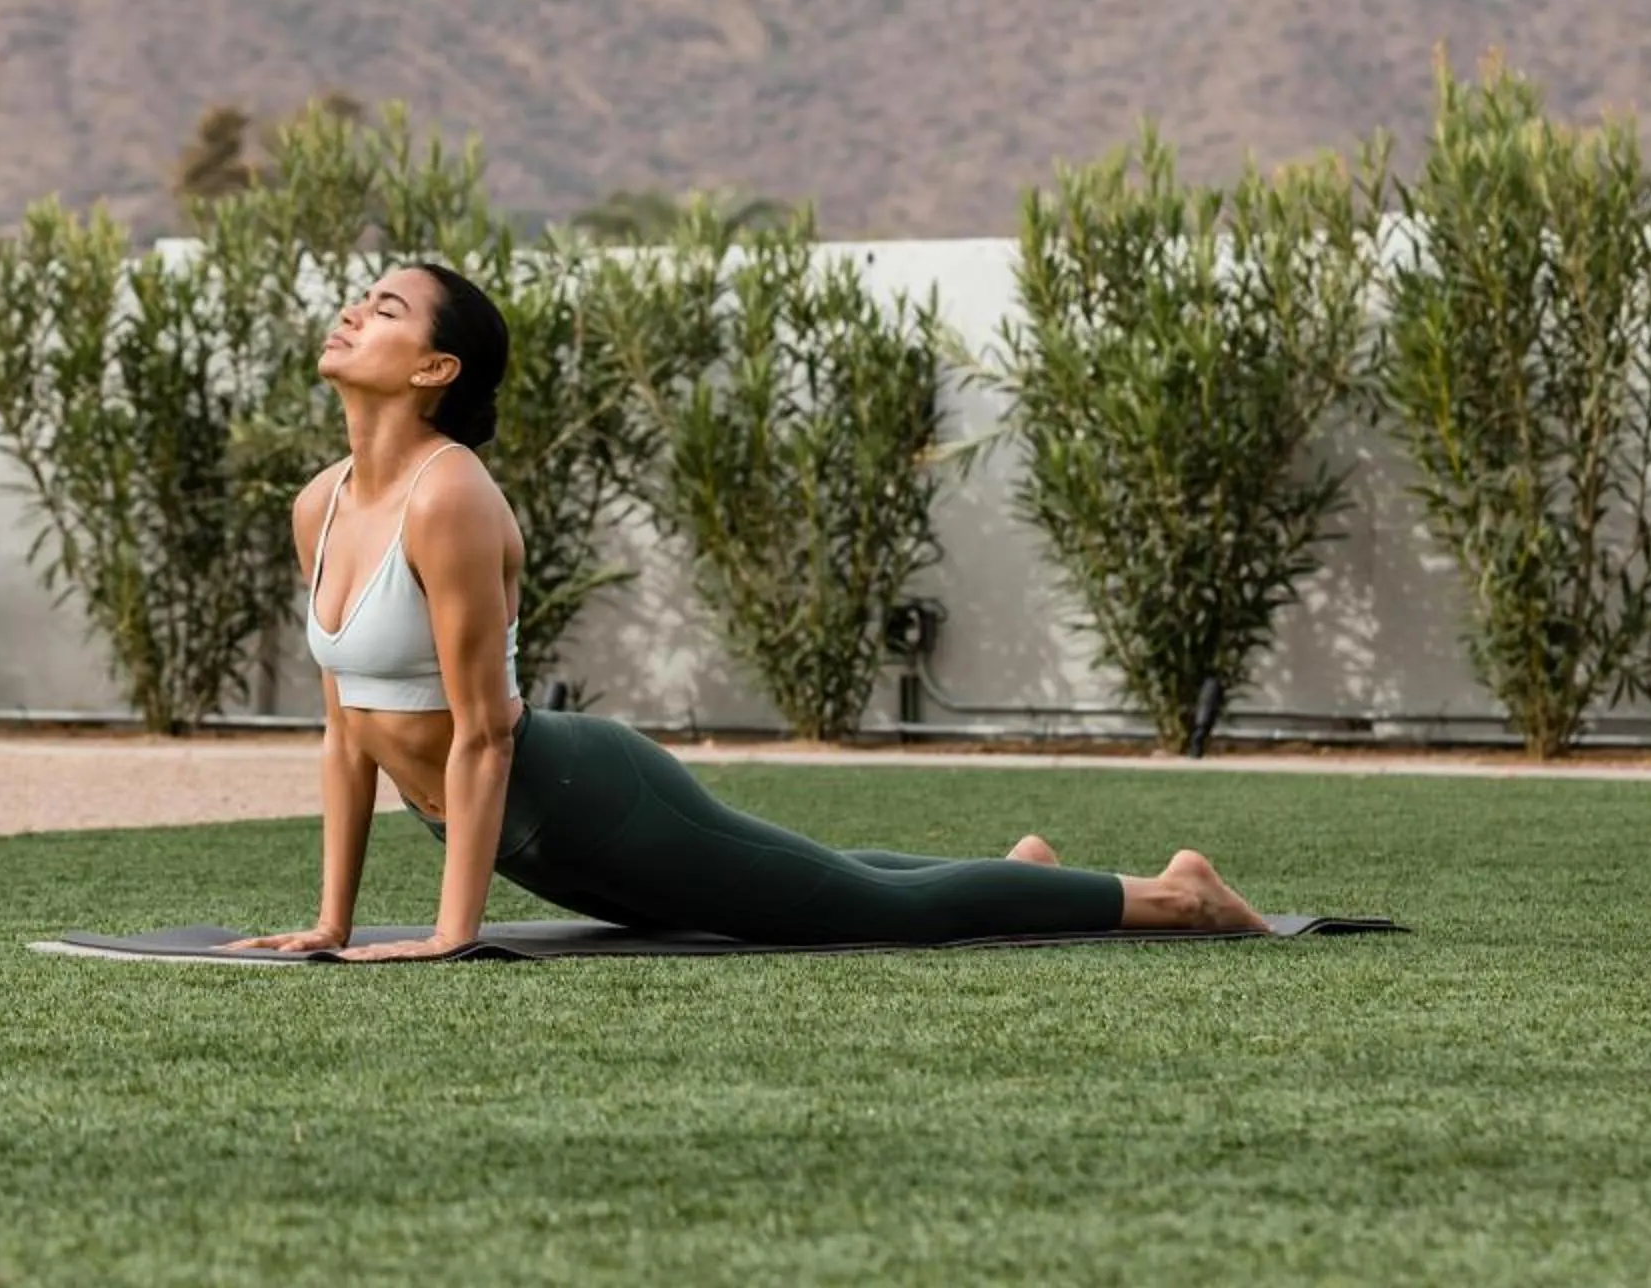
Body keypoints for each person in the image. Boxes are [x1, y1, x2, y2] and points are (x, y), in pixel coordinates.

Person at [224, 260, 1268, 963]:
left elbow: (486, 732)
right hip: (521, 836)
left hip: (582, 797)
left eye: (386, 309)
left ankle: (1178, 895)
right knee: (811, 882)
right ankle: (1012, 879)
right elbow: (347, 731)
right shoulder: (321, 504)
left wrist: (455, 934)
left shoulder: (449, 493)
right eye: (362, 298)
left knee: (869, 915)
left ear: (434, 369)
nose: (354, 312)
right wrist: (331, 922)